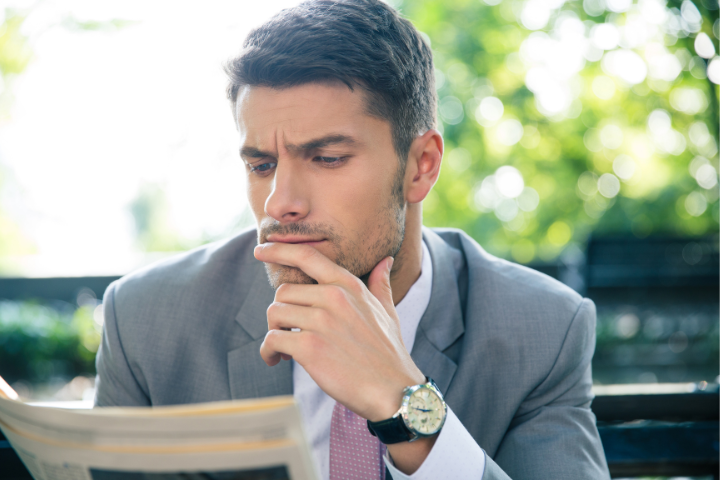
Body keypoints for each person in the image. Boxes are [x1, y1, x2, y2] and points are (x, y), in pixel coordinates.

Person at [94, 0, 610, 478]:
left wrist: (403, 405)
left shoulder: (543, 330)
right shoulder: (146, 323)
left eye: (328, 158)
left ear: (421, 166)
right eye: (262, 164)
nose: (280, 203)